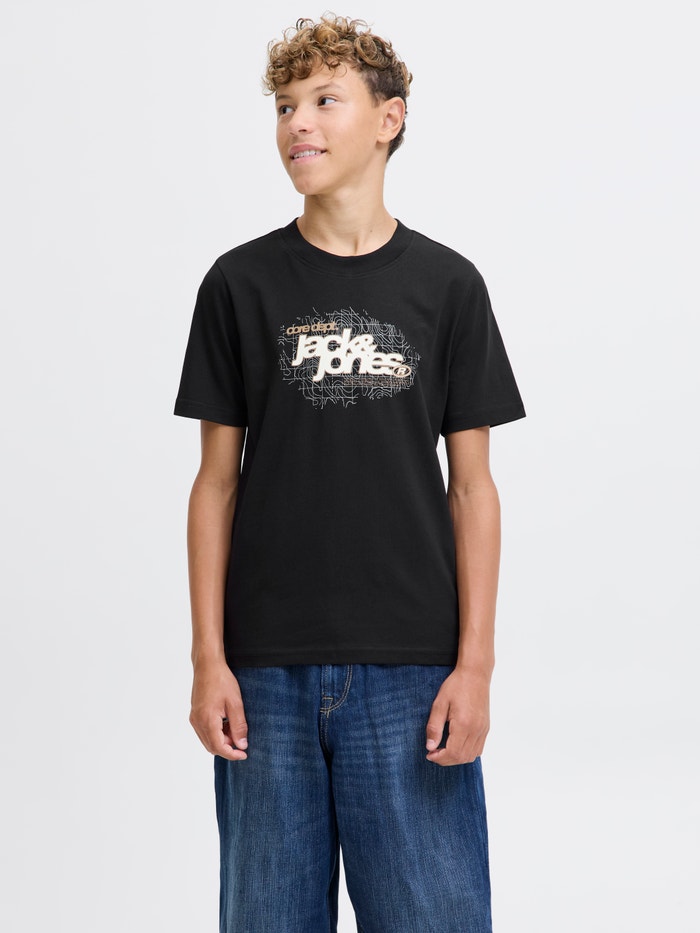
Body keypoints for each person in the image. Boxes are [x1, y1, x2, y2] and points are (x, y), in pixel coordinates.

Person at [174, 14, 526, 933]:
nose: (298, 122)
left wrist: (476, 666)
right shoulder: (238, 285)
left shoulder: (449, 286)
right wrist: (209, 659)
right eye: (285, 106)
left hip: (412, 671)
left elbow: (472, 487)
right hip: (264, 674)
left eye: (325, 100)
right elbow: (215, 483)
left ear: (388, 119)